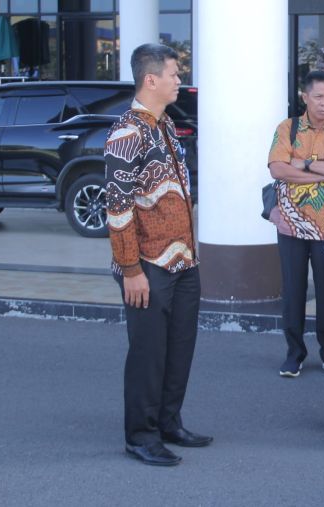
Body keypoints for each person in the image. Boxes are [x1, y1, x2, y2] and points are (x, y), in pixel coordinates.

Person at [105, 43, 211, 467]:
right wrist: (131, 269)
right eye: (173, 73)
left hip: (184, 260)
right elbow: (117, 207)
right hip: (147, 264)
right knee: (148, 353)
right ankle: (141, 435)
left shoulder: (163, 125)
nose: (178, 80)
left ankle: (169, 422)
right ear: (151, 79)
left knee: (179, 347)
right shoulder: (128, 132)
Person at [267, 71, 324, 379]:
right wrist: (323, 173)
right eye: (319, 97)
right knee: (293, 291)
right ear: (305, 97)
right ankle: (294, 353)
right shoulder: (289, 128)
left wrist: (305, 164)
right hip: (291, 225)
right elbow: (277, 169)